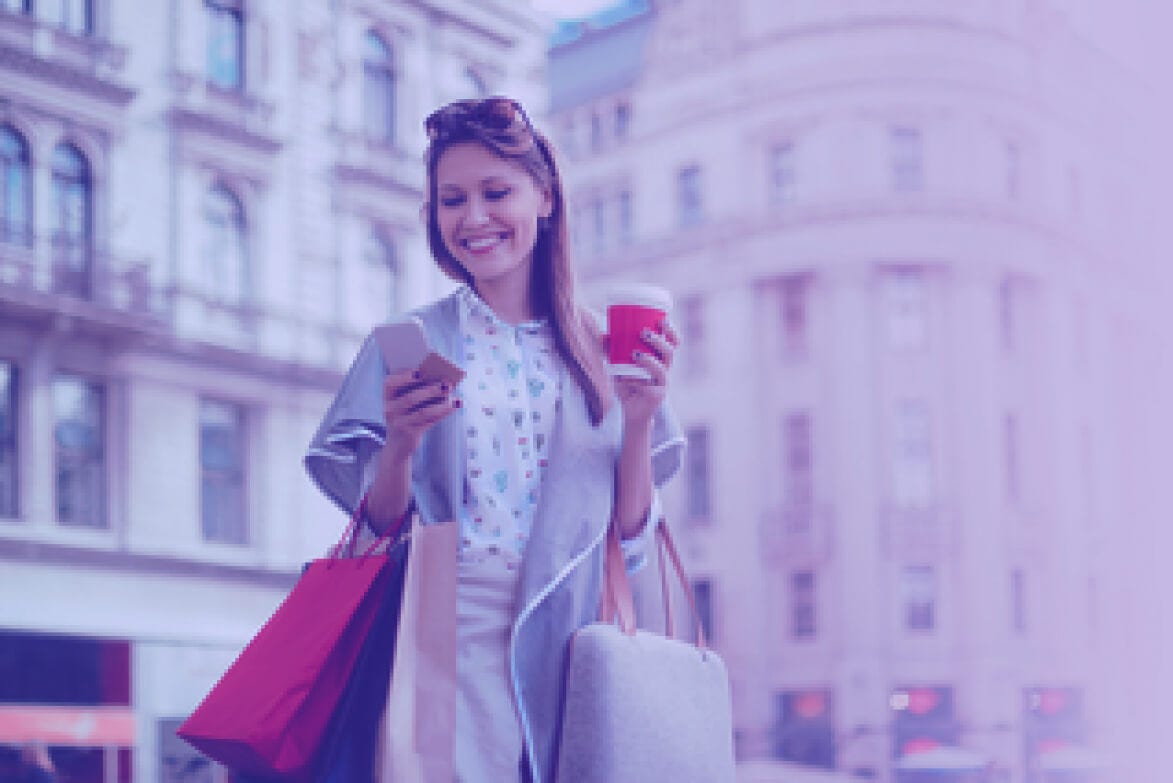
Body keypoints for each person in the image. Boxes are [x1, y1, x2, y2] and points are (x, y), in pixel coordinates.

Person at [305, 96, 684, 782]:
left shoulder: (603, 347)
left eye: (495, 191)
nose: (473, 218)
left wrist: (639, 419)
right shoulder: (411, 343)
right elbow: (373, 532)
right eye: (451, 199)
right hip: (439, 640)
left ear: (544, 197)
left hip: (569, 640)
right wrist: (399, 442)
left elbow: (628, 543)